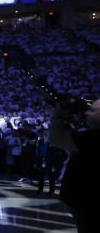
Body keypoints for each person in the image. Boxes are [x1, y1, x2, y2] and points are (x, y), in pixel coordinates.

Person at [49, 97, 100, 233]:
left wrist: (57, 116)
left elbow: (56, 139)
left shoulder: (94, 137)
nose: (87, 113)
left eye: (93, 110)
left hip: (88, 202)